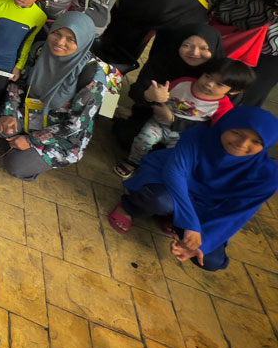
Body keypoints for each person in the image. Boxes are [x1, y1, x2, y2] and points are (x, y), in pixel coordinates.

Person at [109, 107, 278, 272]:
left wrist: (203, 242)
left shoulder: (267, 176)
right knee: (160, 201)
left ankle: (173, 217)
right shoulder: (199, 136)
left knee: (211, 260)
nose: (242, 144)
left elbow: (237, 214)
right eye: (237, 132)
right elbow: (174, 174)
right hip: (171, 182)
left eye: (256, 142)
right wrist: (190, 223)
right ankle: (129, 207)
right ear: (225, 125)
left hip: (206, 205)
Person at [0, 12, 115, 181]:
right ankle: (19, 141)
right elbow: (19, 83)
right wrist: (9, 112)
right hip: (32, 113)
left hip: (61, 134)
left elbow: (74, 125)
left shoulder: (92, 78)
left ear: (83, 42)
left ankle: (27, 153)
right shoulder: (40, 50)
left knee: (16, 166)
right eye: (57, 33)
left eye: (71, 39)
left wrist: (31, 141)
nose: (60, 42)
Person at [114, 59, 255, 179]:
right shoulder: (184, 83)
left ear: (234, 91)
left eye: (219, 84)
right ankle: (133, 162)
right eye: (207, 76)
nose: (209, 83)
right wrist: (156, 96)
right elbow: (163, 94)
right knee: (143, 140)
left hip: (183, 135)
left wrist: (175, 122)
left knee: (174, 155)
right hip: (158, 124)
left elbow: (213, 130)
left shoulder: (223, 107)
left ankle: (157, 172)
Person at [112, 23, 226, 150]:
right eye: (186, 45)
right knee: (129, 138)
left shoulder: (222, 77)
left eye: (204, 48)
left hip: (190, 130)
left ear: (214, 49)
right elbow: (136, 90)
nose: (194, 52)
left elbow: (219, 123)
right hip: (153, 120)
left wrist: (175, 121)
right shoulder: (163, 60)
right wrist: (148, 95)